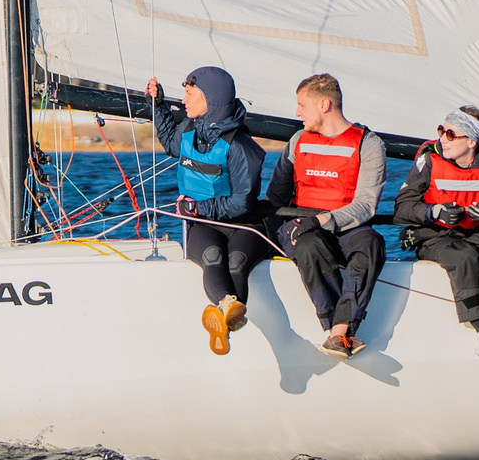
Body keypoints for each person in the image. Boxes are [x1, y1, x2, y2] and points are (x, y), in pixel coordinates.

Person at [263, 73, 386, 359]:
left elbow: (366, 205)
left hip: (345, 225)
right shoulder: (297, 141)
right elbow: (275, 197)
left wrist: (321, 220)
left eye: (302, 105)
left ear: (324, 105)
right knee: (309, 245)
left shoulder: (369, 144)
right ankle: (338, 329)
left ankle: (339, 331)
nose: (297, 113)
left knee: (372, 243)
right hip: (303, 227)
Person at [394, 105, 479, 363]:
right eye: (441, 131)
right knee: (463, 256)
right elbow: (403, 206)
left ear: (471, 141)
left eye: (450, 134)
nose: (442, 138)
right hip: (437, 236)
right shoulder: (429, 162)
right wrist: (435, 213)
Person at [148, 66, 267, 356]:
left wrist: (199, 207)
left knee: (237, 261)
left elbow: (243, 202)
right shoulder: (189, 129)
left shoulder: (241, 147)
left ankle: (223, 318)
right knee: (213, 257)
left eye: (190, 94)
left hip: (244, 225)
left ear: (210, 99)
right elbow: (170, 143)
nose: (185, 100)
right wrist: (157, 105)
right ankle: (228, 311)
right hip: (203, 225)